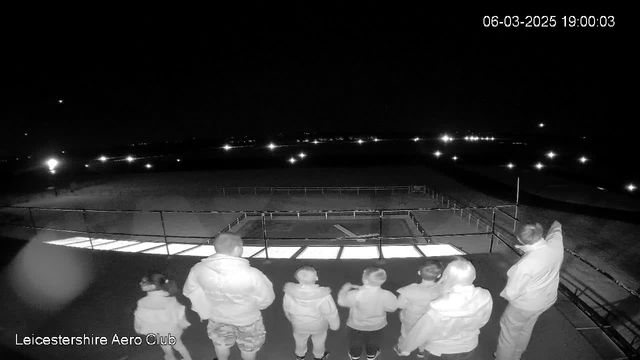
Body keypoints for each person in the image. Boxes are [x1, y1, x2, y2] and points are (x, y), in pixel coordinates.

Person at [183, 233, 275, 360]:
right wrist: (254, 306)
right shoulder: (253, 274)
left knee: (221, 344)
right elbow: (266, 299)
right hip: (247, 319)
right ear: (237, 249)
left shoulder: (198, 269)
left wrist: (206, 305)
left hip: (217, 317)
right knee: (249, 348)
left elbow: (190, 290)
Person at [394, 258, 493, 360]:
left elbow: (420, 333)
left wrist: (405, 349)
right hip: (469, 345)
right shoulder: (485, 296)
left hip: (439, 351)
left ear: (446, 276)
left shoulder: (438, 307)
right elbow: (483, 321)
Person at [495, 221, 564, 360]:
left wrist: (507, 296)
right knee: (526, 327)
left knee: (509, 333)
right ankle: (517, 355)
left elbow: (511, 293)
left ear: (521, 241)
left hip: (524, 305)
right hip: (546, 300)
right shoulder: (556, 245)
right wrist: (555, 224)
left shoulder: (524, 265)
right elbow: (557, 228)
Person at [337, 266, 398, 360]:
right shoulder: (387, 295)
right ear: (383, 281)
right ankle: (371, 355)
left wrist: (344, 290)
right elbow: (392, 308)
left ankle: (355, 355)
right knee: (373, 342)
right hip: (377, 326)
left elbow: (342, 302)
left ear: (364, 280)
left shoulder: (354, 294)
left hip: (356, 325)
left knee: (355, 342)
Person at [283, 265, 340, 360]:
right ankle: (318, 356)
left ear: (297, 279)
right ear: (316, 278)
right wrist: (334, 325)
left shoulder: (289, 293)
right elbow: (331, 312)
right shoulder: (323, 296)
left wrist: (290, 318)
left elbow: (286, 308)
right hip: (318, 326)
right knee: (319, 341)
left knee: (300, 340)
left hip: (298, 325)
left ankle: (300, 355)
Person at [134, 271, 193, 360]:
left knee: (165, 346)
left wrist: (138, 328)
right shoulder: (171, 300)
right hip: (173, 330)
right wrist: (182, 324)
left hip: (159, 332)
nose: (140, 283)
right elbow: (179, 313)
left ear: (152, 287)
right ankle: (187, 358)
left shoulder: (142, 302)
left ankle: (171, 357)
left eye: (143, 282)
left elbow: (139, 318)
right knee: (179, 345)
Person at [396, 259, 445, 358]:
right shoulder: (442, 289)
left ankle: (403, 349)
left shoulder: (409, 290)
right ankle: (421, 351)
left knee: (407, 334)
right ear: (439, 275)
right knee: (425, 334)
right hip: (430, 320)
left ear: (419, 272)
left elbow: (400, 305)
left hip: (411, 319)